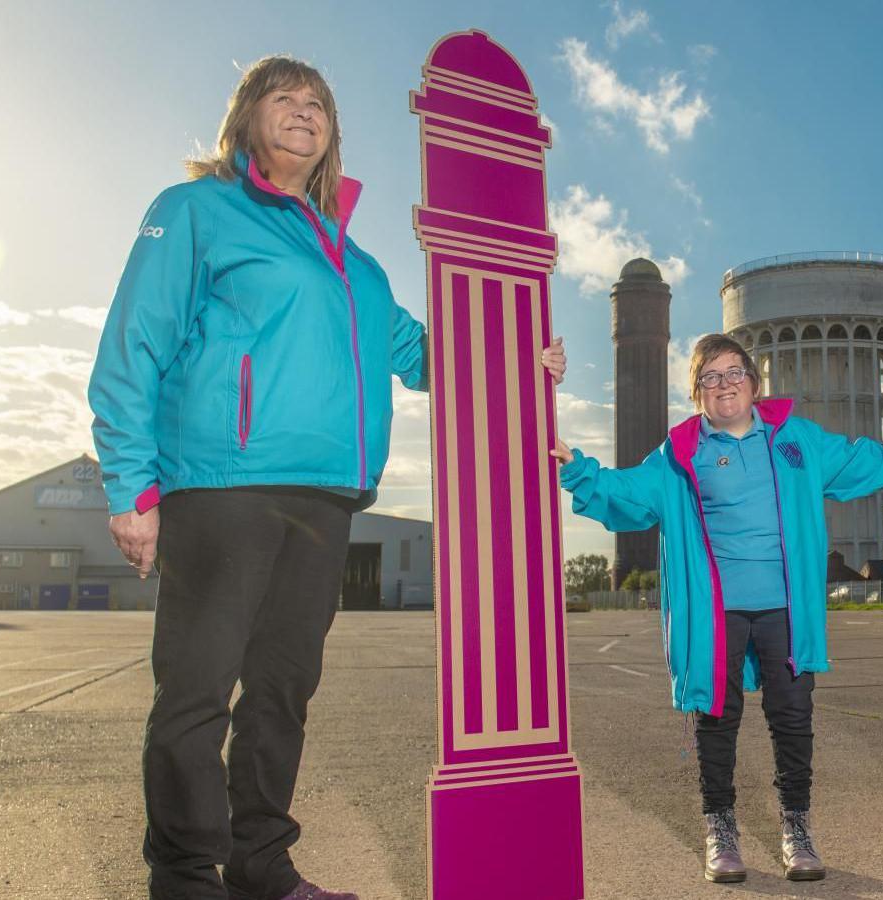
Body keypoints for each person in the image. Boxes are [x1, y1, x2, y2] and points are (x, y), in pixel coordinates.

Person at [88, 55, 566, 900]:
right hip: (222, 485)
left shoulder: (360, 268)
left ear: (333, 135)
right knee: (196, 693)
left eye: (318, 104)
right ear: (247, 118)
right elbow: (135, 343)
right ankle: (185, 879)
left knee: (282, 692)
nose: (304, 111)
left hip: (327, 500)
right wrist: (131, 487)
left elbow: (434, 355)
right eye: (285, 98)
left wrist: (524, 356)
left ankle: (262, 866)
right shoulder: (197, 212)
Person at [550, 334, 883, 884]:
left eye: (734, 372)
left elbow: (860, 460)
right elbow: (630, 493)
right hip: (716, 612)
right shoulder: (680, 453)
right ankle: (721, 828)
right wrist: (578, 470)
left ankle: (796, 828)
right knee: (717, 717)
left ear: (754, 383)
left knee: (792, 716)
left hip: (787, 607)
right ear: (698, 393)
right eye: (710, 377)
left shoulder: (795, 440)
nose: (725, 384)